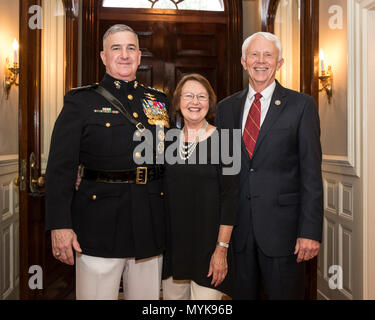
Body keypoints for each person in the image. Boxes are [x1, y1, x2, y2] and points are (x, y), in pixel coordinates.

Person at [45, 24, 170, 300]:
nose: (124, 55)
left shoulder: (159, 102)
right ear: (103, 56)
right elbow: (60, 168)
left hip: (149, 220)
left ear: (139, 56)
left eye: (131, 48)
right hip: (98, 222)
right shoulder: (81, 102)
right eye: (116, 48)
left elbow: (170, 161)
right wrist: (60, 225)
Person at [216, 32, 323, 300]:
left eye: (268, 55)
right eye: (254, 54)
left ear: (280, 62)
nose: (260, 61)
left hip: (284, 233)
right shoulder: (226, 108)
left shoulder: (301, 105)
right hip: (238, 231)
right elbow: (224, 172)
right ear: (243, 61)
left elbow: (311, 174)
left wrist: (309, 232)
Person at [161, 74, 238, 300]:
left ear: (210, 103)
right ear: (178, 102)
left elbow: (231, 199)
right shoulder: (166, 141)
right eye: (188, 96)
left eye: (201, 96)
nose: (195, 102)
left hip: (210, 249)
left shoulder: (226, 141)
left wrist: (221, 250)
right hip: (174, 247)